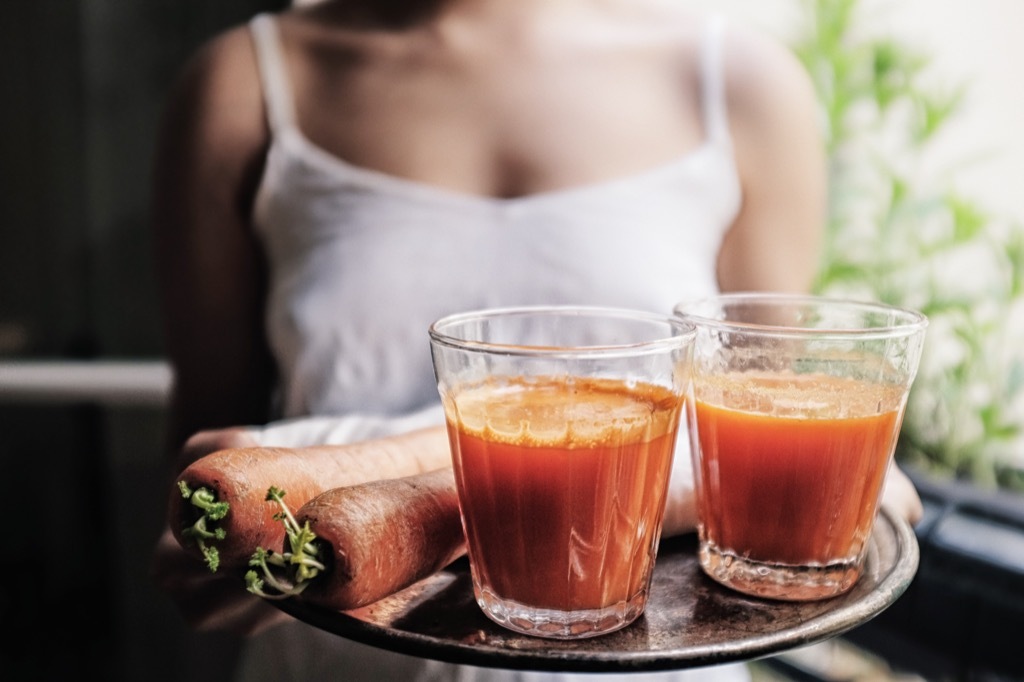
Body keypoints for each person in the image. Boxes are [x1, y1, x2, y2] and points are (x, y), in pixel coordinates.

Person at [150, 0, 924, 679]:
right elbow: (213, 456)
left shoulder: (745, 83)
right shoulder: (241, 83)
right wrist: (214, 561)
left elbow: (760, 454)